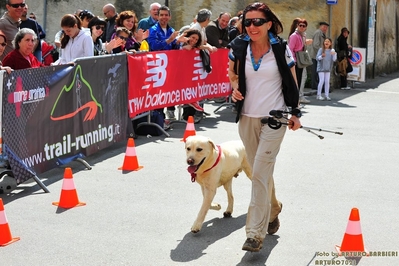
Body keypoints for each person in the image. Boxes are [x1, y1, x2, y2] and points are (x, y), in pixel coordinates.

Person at [228, 2, 301, 252]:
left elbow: (292, 80)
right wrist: (235, 88)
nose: (252, 26)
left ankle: (254, 234)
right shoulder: (239, 47)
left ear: (269, 23)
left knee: (259, 172)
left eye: (257, 21)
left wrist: (295, 111)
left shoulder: (280, 48)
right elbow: (233, 75)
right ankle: (274, 209)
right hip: (247, 117)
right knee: (260, 172)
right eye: (247, 22)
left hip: (275, 118)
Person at [147, 5, 186, 128]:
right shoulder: (152, 30)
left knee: (166, 94)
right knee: (157, 94)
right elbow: (153, 46)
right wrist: (170, 40)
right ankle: (158, 120)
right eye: (161, 15)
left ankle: (163, 118)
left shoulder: (171, 30)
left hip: (169, 67)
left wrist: (178, 42)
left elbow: (173, 48)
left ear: (170, 16)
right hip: (157, 68)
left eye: (166, 15)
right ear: (157, 16)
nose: (164, 17)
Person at [288, 18, 312, 104]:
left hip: (300, 60)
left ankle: (296, 99)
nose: (301, 27)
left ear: (305, 27)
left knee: (299, 80)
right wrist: (293, 61)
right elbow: (290, 49)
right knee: (295, 81)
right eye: (300, 25)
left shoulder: (302, 35)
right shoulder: (294, 36)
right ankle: (293, 100)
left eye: (303, 26)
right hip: (295, 61)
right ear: (297, 26)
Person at [309, 22, 329, 91]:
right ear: (320, 26)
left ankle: (318, 86)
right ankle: (315, 86)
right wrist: (322, 52)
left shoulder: (322, 34)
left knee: (318, 71)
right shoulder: (318, 33)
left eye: (326, 27)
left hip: (319, 56)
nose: (325, 29)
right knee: (315, 71)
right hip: (316, 56)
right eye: (324, 27)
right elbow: (315, 45)